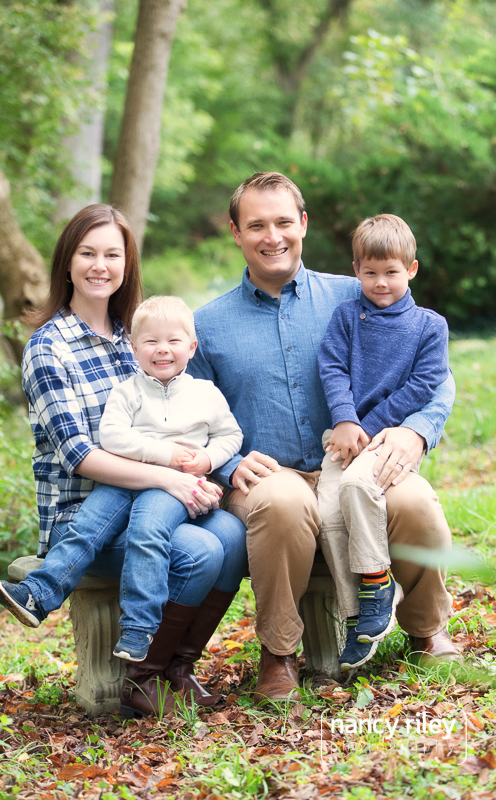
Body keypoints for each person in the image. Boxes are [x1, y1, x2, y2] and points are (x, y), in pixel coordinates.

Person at [189, 172, 459, 702]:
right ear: (236, 232)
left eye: (284, 222)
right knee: (283, 504)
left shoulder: (357, 294)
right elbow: (188, 415)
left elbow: (437, 376)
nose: (273, 236)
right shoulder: (208, 325)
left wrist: (417, 432)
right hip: (269, 474)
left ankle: (427, 630)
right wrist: (229, 465)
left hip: (361, 462)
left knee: (415, 502)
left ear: (304, 224)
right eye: (257, 225)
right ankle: (279, 655)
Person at [0, 205, 247, 718]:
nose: (100, 266)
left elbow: (194, 416)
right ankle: (142, 674)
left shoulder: (140, 335)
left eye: (113, 254)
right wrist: (170, 478)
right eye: (88, 253)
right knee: (198, 551)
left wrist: (214, 463)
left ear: (127, 264)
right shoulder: (48, 348)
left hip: (154, 500)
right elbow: (79, 455)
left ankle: (177, 667)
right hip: (85, 515)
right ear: (67, 262)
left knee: (234, 537)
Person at [317, 214, 450, 671]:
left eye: (391, 272)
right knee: (329, 512)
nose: (380, 282)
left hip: (386, 437)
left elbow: (425, 383)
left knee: (358, 486)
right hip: (345, 435)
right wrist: (345, 420)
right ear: (356, 270)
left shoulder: (429, 326)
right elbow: (332, 368)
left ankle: (377, 582)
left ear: (411, 269)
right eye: (370, 272)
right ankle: (358, 614)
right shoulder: (346, 317)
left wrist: (368, 428)